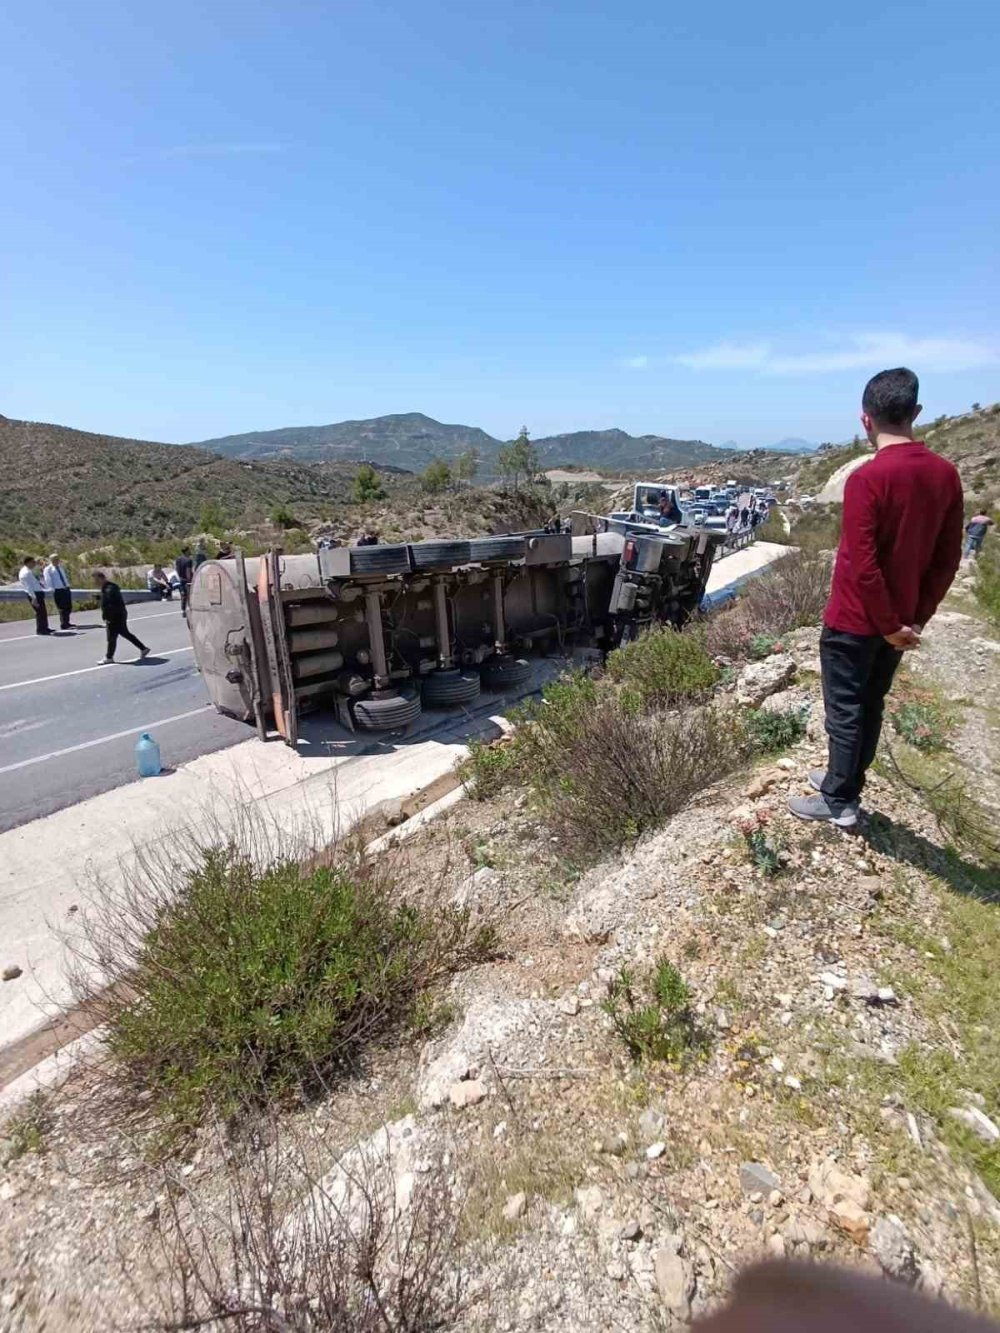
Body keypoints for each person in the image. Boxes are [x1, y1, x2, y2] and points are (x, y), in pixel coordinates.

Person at [789, 368, 963, 828]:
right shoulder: (946, 475)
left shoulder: (868, 478)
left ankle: (839, 800)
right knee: (871, 704)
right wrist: (914, 620)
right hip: (900, 623)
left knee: (844, 710)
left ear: (865, 420)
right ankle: (843, 779)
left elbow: (860, 565)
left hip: (856, 620)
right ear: (917, 413)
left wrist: (888, 622)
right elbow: (947, 559)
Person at [93, 571, 150, 664]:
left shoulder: (109, 588)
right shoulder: (109, 587)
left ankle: (109, 657)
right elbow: (108, 599)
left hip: (115, 616)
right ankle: (143, 648)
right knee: (124, 634)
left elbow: (110, 604)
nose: (95, 582)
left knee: (112, 637)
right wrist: (99, 598)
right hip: (119, 614)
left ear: (101, 579)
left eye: (96, 580)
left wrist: (108, 617)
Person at [18, 556, 50, 635]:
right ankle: (40, 630)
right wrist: (34, 598)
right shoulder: (25, 573)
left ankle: (45, 628)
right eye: (33, 562)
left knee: (43, 612)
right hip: (34, 594)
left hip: (38, 592)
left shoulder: (29, 571)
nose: (34, 564)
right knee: (40, 612)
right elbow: (29, 587)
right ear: (28, 563)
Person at [43, 553, 75, 629]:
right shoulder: (48, 569)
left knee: (69, 606)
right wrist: (52, 589)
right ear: (51, 560)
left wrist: (67, 585)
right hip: (58, 590)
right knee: (62, 607)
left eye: (57, 559)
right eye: (54, 559)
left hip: (65, 588)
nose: (57, 560)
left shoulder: (60, 567)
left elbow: (64, 577)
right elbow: (48, 580)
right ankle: (64, 624)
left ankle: (67, 622)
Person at [175, 546, 194, 615]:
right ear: (186, 551)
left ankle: (183, 610)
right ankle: (189, 609)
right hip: (187, 580)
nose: (190, 551)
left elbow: (177, 569)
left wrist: (180, 577)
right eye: (189, 550)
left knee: (183, 595)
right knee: (189, 595)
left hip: (181, 579)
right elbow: (188, 571)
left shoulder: (178, 559)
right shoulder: (189, 560)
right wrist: (189, 580)